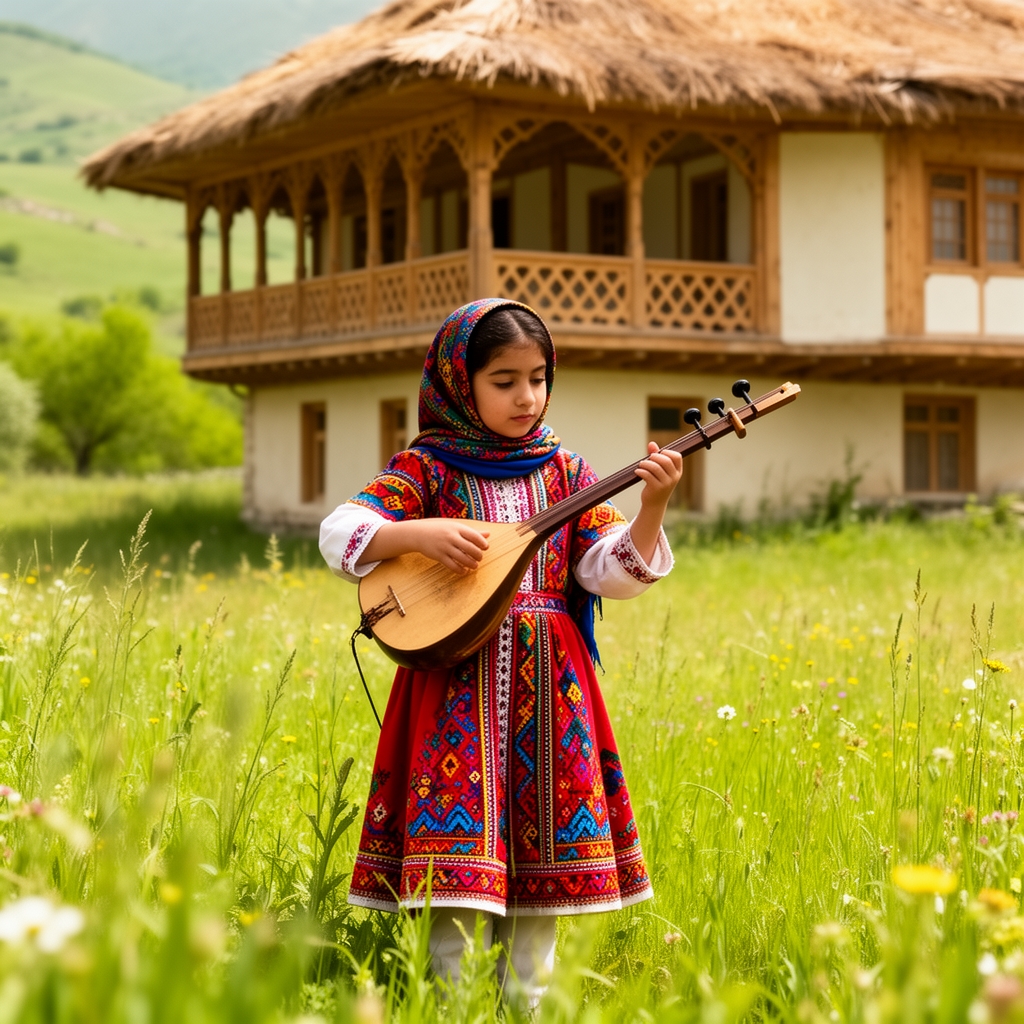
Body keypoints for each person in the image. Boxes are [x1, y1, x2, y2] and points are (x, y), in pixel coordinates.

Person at [319, 298, 682, 1010]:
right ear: (460, 382)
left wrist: (654, 508)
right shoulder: (426, 468)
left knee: (541, 871)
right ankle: (448, 1004)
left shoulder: (567, 472)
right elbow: (342, 532)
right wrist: (417, 535)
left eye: (539, 378)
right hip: (455, 685)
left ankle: (528, 1005)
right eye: (505, 380)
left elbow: (608, 572)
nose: (527, 397)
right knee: (452, 882)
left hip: (552, 696)